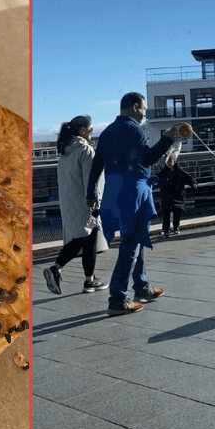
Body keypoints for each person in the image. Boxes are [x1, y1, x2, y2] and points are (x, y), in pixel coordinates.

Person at [87, 92, 181, 316]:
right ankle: (117, 298)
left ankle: (141, 286)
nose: (144, 114)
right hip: (133, 190)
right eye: (144, 109)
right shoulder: (134, 129)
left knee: (137, 238)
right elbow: (147, 159)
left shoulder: (107, 131)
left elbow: (97, 164)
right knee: (131, 243)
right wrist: (167, 139)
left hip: (113, 190)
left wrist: (91, 193)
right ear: (136, 107)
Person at [44, 116, 108, 295]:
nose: (92, 134)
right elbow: (91, 180)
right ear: (83, 131)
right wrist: (96, 202)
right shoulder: (85, 150)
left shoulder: (65, 151)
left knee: (85, 239)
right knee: (86, 238)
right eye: (91, 130)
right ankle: (57, 269)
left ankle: (89, 280)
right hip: (85, 202)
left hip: (69, 202)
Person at [157, 154, 196, 238]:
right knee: (166, 214)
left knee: (177, 212)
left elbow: (189, 178)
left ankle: (176, 227)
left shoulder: (180, 171)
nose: (170, 163)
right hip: (166, 196)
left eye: (172, 161)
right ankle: (166, 230)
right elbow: (156, 180)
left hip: (178, 195)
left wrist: (193, 184)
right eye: (168, 161)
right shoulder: (163, 172)